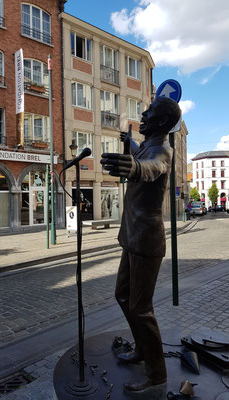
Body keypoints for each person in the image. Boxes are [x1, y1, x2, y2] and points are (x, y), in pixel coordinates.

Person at [101, 96, 181, 392]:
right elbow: (140, 152)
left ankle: (157, 374)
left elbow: (152, 167)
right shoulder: (148, 144)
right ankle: (141, 349)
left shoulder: (163, 150)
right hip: (132, 237)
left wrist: (133, 168)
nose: (143, 115)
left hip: (147, 240)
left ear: (160, 122)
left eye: (149, 112)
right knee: (123, 296)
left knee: (141, 309)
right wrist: (129, 142)